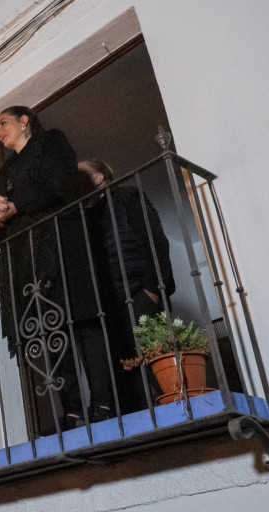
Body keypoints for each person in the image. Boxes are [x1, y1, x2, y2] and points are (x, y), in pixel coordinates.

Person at [0, 106, 108, 432]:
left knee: (81, 323)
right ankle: (73, 409)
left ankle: (104, 403)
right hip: (27, 260)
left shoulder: (52, 142)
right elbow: (5, 221)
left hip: (60, 245)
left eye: (3, 122)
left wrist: (16, 205)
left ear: (25, 122)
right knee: (48, 331)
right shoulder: (6, 169)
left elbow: (60, 183)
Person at [80, 158, 175, 410]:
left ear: (98, 177)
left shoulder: (127, 198)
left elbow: (155, 242)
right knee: (128, 378)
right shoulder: (85, 218)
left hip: (140, 294)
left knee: (159, 367)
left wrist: (153, 291)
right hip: (111, 306)